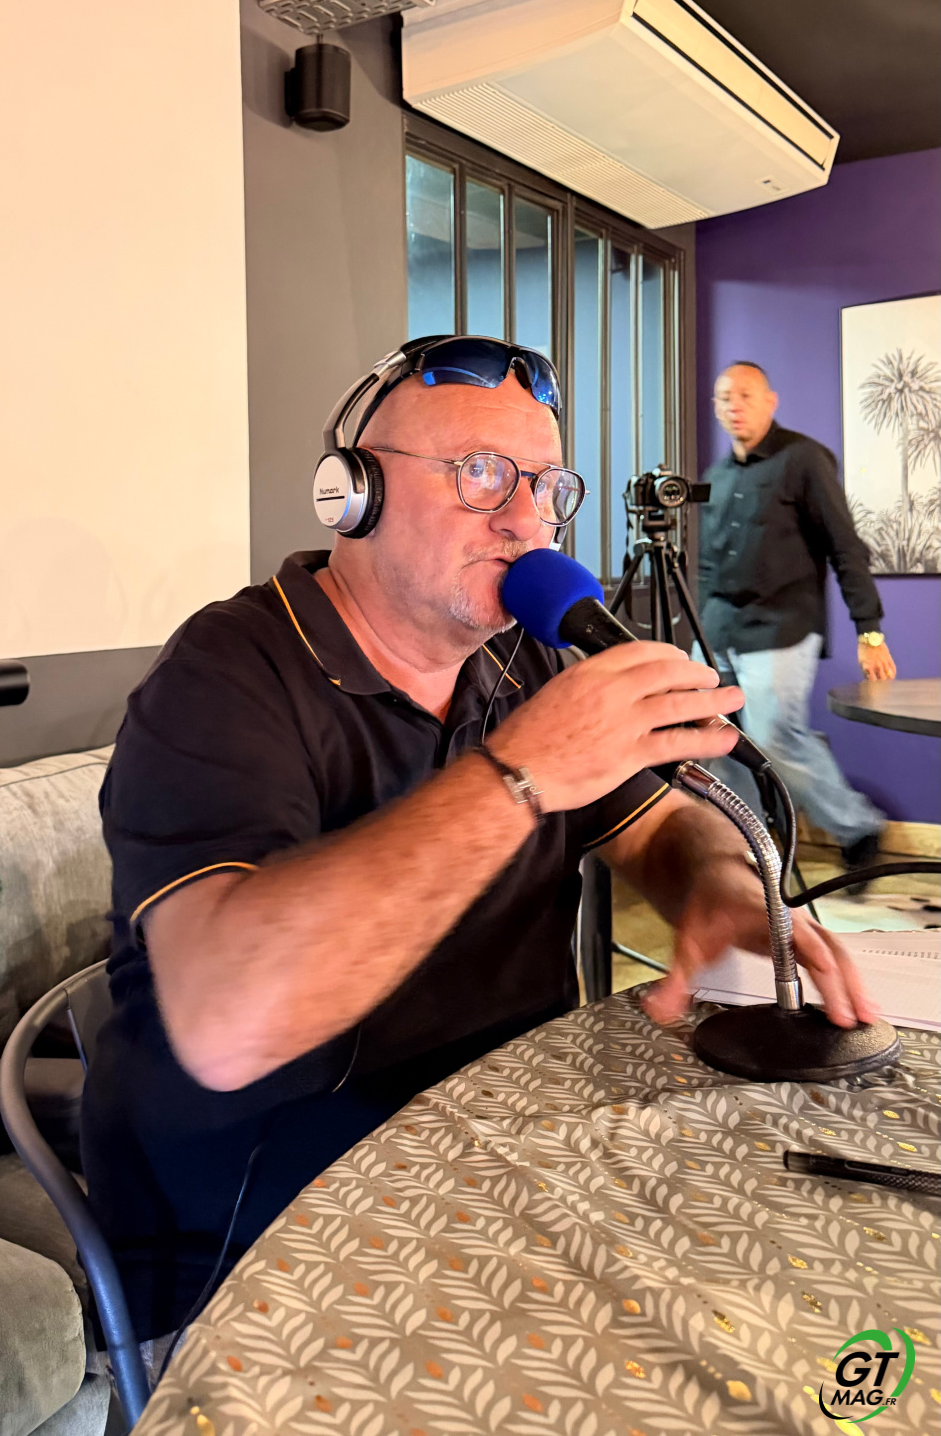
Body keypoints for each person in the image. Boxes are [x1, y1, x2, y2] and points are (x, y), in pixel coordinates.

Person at [82, 336, 874, 1340]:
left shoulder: (522, 659)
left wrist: (715, 881)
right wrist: (518, 776)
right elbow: (227, 1022)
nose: (526, 520)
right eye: (482, 473)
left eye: (547, 485)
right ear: (353, 495)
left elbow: (661, 823)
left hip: (497, 1152)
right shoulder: (223, 675)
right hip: (261, 1231)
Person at [698, 360, 896, 873]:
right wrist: (698, 626)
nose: (734, 406)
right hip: (718, 629)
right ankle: (747, 849)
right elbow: (708, 563)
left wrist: (869, 630)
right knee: (711, 739)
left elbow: (845, 547)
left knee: (774, 739)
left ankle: (858, 827)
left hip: (781, 627)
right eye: (724, 397)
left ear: (771, 401)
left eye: (745, 395)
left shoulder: (804, 459)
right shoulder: (717, 476)